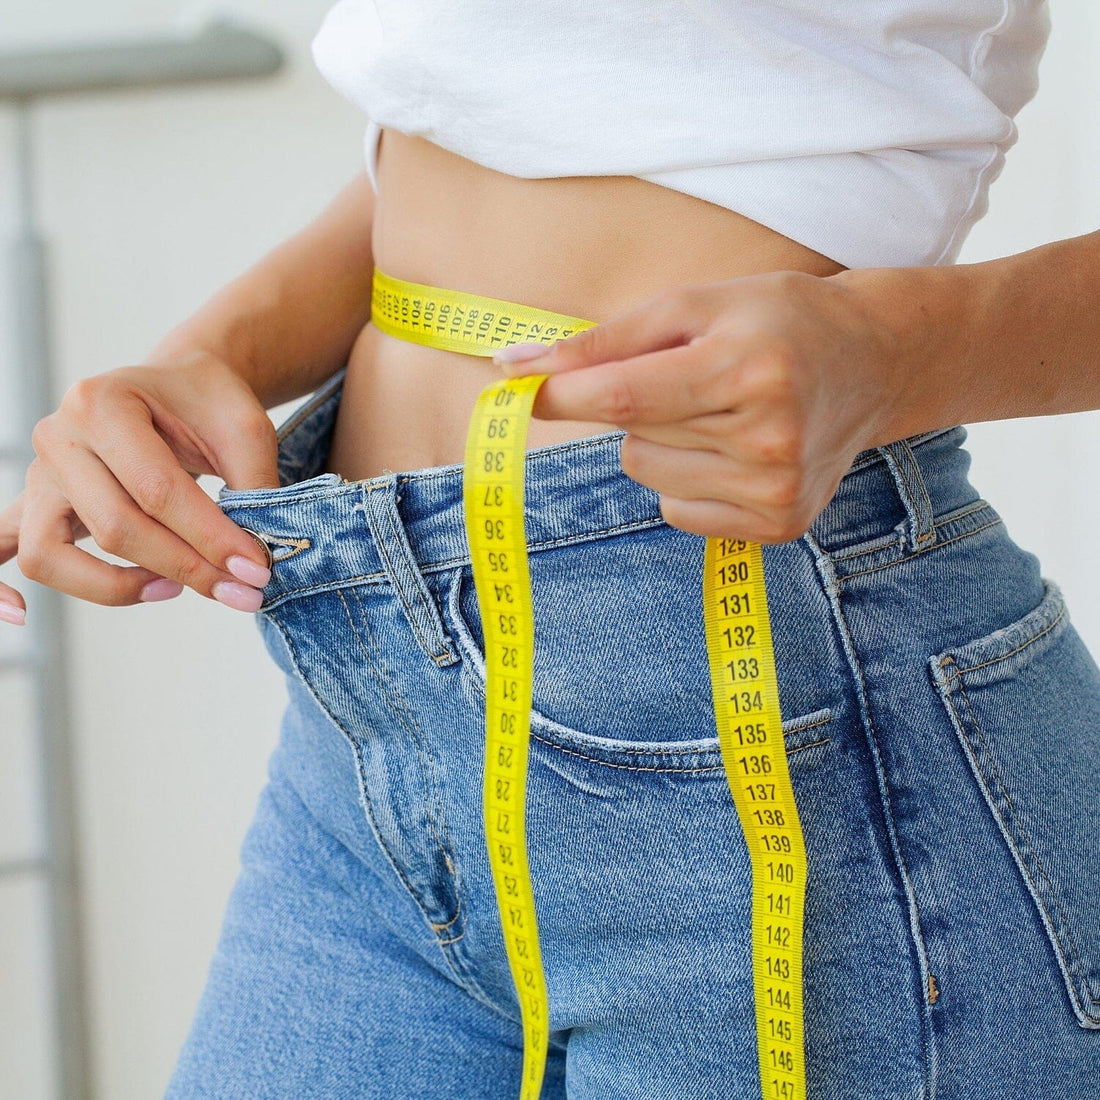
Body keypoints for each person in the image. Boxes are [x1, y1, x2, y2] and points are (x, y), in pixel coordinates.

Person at [2, 1, 1099, 1096]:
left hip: (771, 712)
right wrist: (208, 354)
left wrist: (898, 348)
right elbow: (502, 116)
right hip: (363, 728)